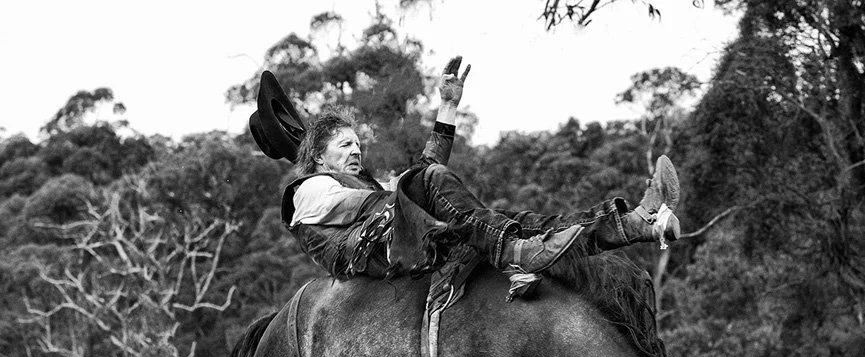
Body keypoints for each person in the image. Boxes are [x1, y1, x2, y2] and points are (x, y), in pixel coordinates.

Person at [274, 56, 681, 296]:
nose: (356, 150)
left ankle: (635, 223)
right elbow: (353, 203)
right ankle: (518, 254)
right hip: (382, 256)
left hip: (400, 237)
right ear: (319, 157)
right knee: (428, 182)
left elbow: (416, 181)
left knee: (518, 223)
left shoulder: (362, 185)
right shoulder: (307, 190)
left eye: (357, 144)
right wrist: (406, 191)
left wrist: (447, 108)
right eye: (345, 145)